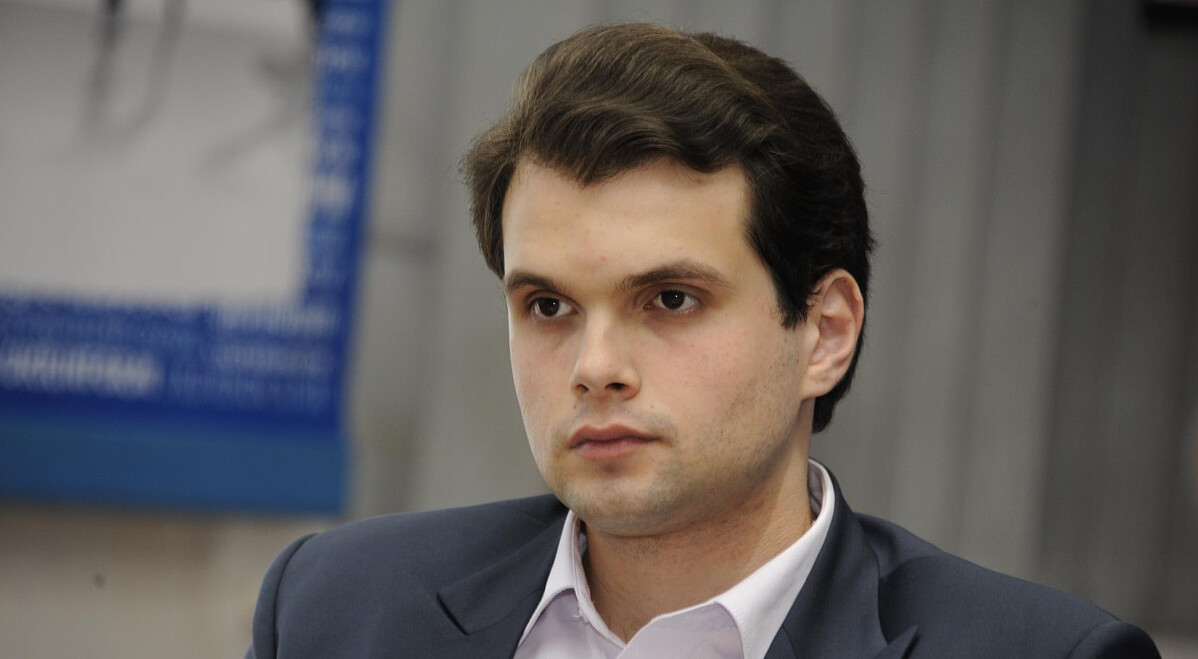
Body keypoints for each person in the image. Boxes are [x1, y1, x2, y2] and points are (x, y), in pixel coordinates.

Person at [247, 24, 1160, 658]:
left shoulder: (1043, 654)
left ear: (825, 334)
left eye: (671, 298)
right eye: (549, 306)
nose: (595, 368)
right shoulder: (335, 609)